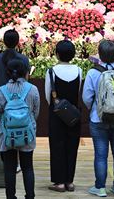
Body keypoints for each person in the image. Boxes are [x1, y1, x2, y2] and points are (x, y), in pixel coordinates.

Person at [82, 40, 114, 197]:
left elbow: (86, 97)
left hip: (99, 119)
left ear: (100, 55)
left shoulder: (93, 73)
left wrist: (95, 109)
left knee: (100, 155)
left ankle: (100, 187)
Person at [0, 59, 40, 199]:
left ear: (7, 73)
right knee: (27, 167)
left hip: (8, 134)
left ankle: (11, 196)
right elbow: (36, 112)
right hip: (27, 134)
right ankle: (30, 196)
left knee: (9, 168)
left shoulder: (2, 91)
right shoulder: (32, 89)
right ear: (26, 72)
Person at [45, 40, 81, 193]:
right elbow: (78, 92)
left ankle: (59, 182)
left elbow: (48, 96)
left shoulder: (51, 71)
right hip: (73, 114)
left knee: (57, 146)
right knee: (72, 146)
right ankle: (70, 181)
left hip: (57, 113)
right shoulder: (79, 70)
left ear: (57, 54)